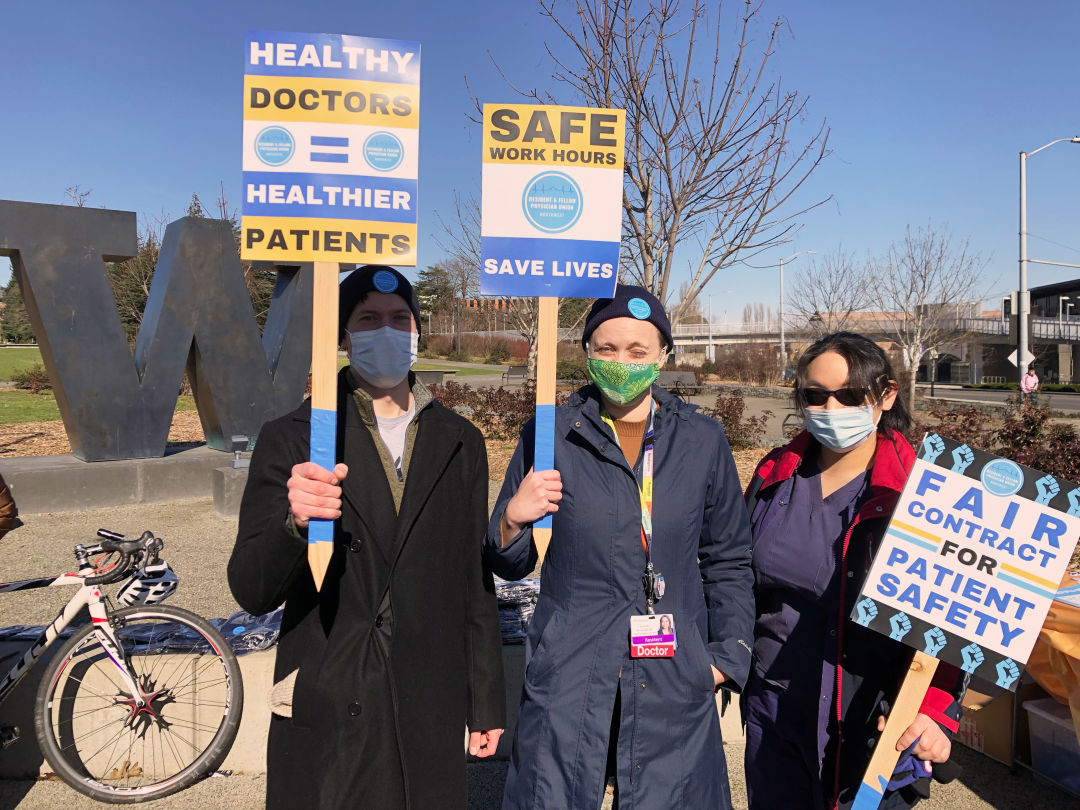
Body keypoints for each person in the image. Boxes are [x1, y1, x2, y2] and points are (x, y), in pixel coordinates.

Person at [228, 266, 505, 810]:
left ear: (418, 330)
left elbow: (473, 583)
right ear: (344, 335)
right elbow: (251, 588)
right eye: (369, 319)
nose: (387, 330)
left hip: (428, 694)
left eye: (400, 319)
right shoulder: (295, 438)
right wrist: (295, 526)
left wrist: (486, 699)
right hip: (332, 687)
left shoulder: (460, 441)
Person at [485, 285, 754, 810]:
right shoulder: (549, 435)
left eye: (637, 351)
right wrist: (513, 521)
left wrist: (723, 658)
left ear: (663, 356)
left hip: (674, 670)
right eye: (606, 349)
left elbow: (729, 559)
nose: (622, 363)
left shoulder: (702, 440)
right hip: (571, 668)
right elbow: (511, 561)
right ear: (586, 353)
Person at [742, 332, 965, 810]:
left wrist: (933, 712)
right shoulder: (774, 474)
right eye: (815, 395)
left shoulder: (922, 497)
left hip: (868, 719)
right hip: (773, 709)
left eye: (848, 395)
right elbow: (738, 577)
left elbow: (959, 619)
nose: (830, 408)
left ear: (885, 395)